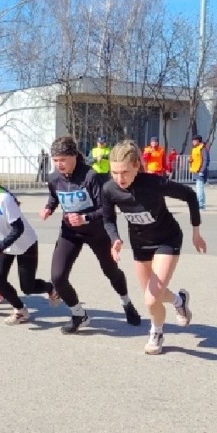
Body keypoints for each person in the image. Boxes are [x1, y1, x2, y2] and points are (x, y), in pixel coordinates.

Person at [96, 140, 205, 355]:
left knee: (151, 298)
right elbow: (108, 219)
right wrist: (114, 239)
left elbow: (190, 196)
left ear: (137, 165)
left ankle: (156, 332)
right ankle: (179, 300)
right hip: (140, 244)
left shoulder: (153, 183)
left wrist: (196, 231)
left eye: (125, 172)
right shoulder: (109, 190)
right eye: (115, 173)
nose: (120, 178)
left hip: (167, 239)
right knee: (153, 294)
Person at [40, 136, 141, 334]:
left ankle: (127, 303)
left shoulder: (90, 176)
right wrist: (48, 208)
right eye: (55, 160)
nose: (59, 164)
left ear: (74, 157)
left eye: (63, 159)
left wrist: (84, 218)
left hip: (96, 232)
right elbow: (54, 196)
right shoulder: (53, 178)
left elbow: (105, 209)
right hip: (70, 232)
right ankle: (78, 314)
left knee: (111, 271)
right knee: (57, 277)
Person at [0, 163, 59, 325]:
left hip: (25, 243)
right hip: (3, 247)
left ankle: (51, 288)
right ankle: (20, 310)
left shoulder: (3, 198)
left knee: (27, 288)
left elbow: (18, 228)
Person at [189, 134, 210, 210]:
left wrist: (202, 170)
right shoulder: (194, 149)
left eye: (195, 141)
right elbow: (195, 159)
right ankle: (202, 204)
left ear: (199, 141)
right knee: (199, 188)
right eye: (193, 141)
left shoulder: (203, 148)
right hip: (195, 170)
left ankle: (200, 205)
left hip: (201, 171)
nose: (193, 142)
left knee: (199, 188)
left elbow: (206, 160)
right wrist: (190, 160)